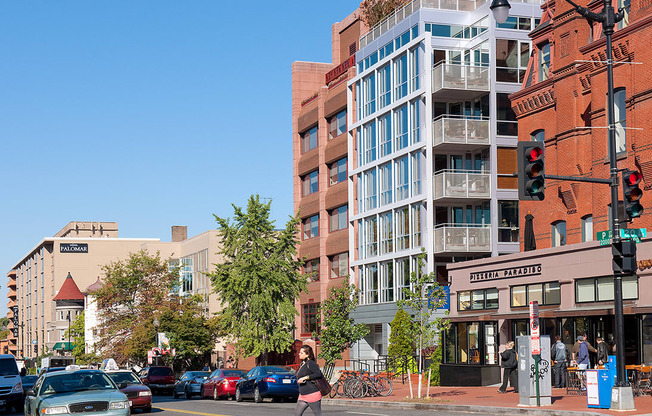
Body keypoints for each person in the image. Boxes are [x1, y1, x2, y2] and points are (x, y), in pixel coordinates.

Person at [295, 345, 324, 416]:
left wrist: (305, 378)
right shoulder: (303, 364)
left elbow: (318, 374)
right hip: (303, 394)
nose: (299, 354)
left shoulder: (311, 363)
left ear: (307, 354)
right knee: (297, 414)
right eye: (299, 353)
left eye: (301, 353)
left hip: (312, 394)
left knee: (318, 414)